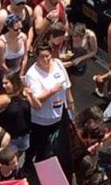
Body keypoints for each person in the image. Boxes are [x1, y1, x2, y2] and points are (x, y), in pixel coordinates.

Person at [23, 41, 74, 172]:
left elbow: (66, 84)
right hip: (41, 120)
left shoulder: (58, 64)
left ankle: (40, 166)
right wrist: (52, 91)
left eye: (48, 56)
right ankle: (28, 166)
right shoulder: (32, 74)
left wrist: (70, 101)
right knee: (36, 145)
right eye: (42, 57)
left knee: (49, 146)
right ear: (37, 57)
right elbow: (36, 99)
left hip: (58, 114)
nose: (46, 59)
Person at [0, 71, 37, 154]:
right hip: (9, 139)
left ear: (14, 83)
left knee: (18, 156)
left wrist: (31, 95)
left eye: (6, 83)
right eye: (3, 83)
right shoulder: (4, 99)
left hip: (24, 136)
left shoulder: (24, 94)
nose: (3, 86)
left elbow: (37, 106)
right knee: (10, 160)